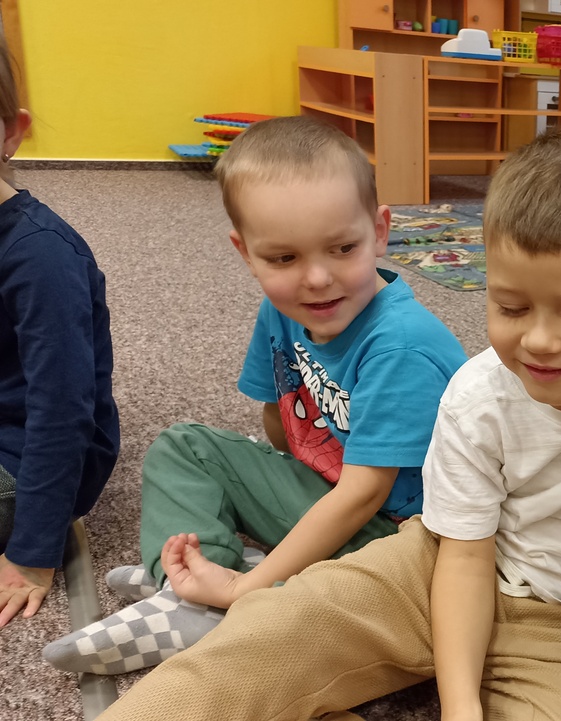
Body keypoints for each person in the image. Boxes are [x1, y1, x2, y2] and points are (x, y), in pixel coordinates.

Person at [93, 126, 561, 721]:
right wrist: (459, 705)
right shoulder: (477, 395)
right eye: (510, 306)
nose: (540, 341)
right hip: (432, 562)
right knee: (267, 637)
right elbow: (464, 557)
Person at [43, 115, 468, 674]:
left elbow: (363, 495)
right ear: (246, 253)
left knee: (362, 597)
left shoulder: (401, 347)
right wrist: (265, 492)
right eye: (284, 259)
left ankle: (229, 599)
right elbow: (278, 420)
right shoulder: (284, 308)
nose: (317, 279)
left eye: (343, 248)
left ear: (380, 230)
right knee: (184, 447)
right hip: (332, 492)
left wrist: (249, 586)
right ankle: (190, 584)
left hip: (405, 537)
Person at [0, 36, 119, 627]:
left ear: (11, 131)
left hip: (27, 461)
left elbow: (64, 410)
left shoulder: (40, 256)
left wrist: (32, 554)